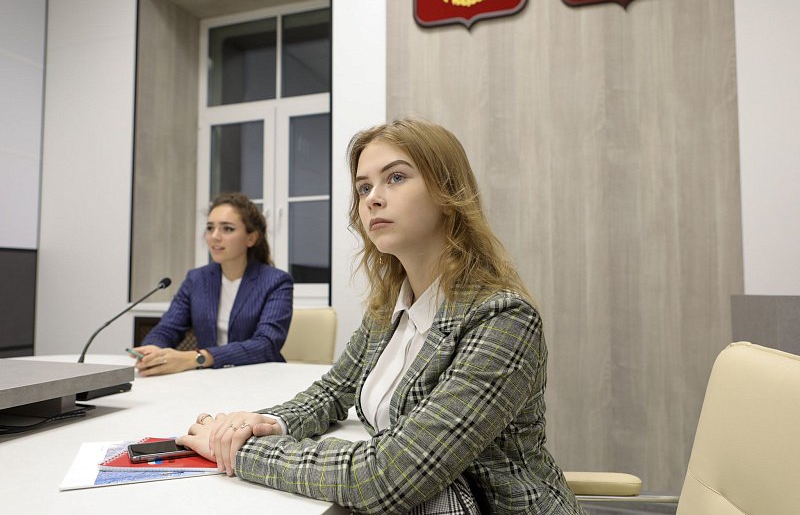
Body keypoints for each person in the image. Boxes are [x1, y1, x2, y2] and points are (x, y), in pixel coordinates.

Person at [177, 119, 585, 514]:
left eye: (396, 178)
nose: (372, 198)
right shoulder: (387, 308)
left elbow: (386, 477)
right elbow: (332, 392)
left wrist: (244, 451)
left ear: (447, 193)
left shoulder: (502, 318)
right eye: (363, 187)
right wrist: (263, 423)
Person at [133, 192, 293, 375]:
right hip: (210, 379)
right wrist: (153, 350)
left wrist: (198, 358)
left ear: (251, 238)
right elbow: (168, 328)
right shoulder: (197, 279)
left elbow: (266, 344)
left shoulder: (276, 281)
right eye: (210, 228)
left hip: (259, 377)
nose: (214, 236)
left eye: (227, 229)